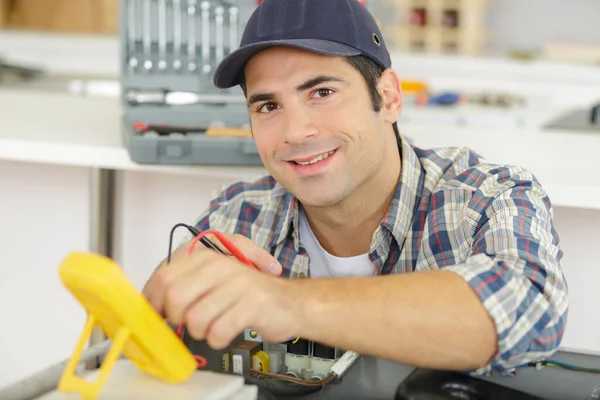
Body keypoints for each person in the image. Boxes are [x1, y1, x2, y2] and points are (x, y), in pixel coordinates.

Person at [142, 0, 568, 375]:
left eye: (322, 91)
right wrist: (159, 306)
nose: (296, 132)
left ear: (388, 97)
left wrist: (286, 302)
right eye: (269, 106)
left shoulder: (485, 198)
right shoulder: (236, 215)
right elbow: (140, 360)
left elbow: (528, 313)